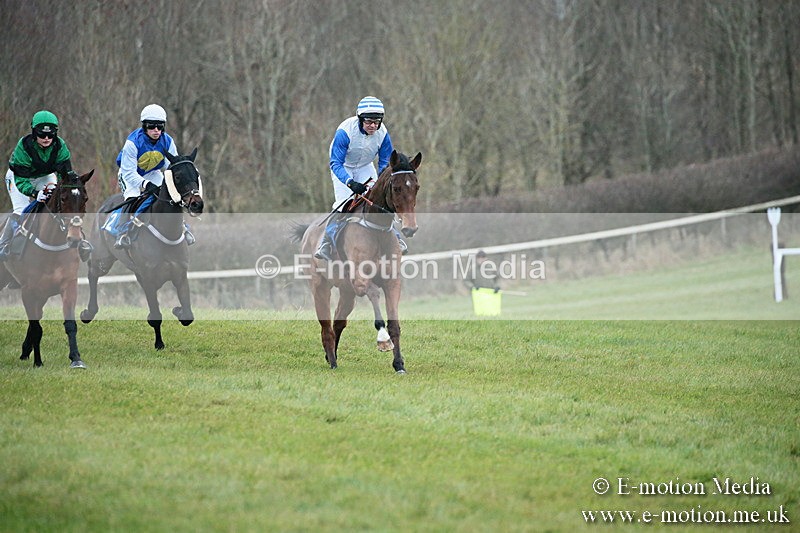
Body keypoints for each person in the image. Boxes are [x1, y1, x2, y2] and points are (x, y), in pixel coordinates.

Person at [314, 96, 407, 261]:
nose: (373, 126)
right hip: (344, 167)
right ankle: (326, 242)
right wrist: (350, 182)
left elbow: (385, 162)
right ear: (360, 119)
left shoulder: (383, 133)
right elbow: (336, 163)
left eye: (376, 122)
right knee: (343, 204)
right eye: (369, 121)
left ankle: (395, 236)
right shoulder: (345, 132)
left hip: (365, 166)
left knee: (380, 201)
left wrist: (380, 184)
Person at [0, 110, 85, 261]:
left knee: (58, 204)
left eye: (50, 135)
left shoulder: (60, 146)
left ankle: (79, 239)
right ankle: (4, 244)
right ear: (34, 132)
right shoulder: (24, 147)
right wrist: (34, 193)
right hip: (19, 177)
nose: (46, 138)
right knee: (21, 210)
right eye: (42, 134)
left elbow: (64, 175)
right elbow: (21, 180)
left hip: (44, 176)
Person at [112, 103, 193, 248]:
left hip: (153, 173)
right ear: (144, 126)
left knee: (171, 195)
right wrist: (146, 185)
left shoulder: (168, 141)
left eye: (160, 126)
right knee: (132, 198)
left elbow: (171, 167)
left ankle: (184, 227)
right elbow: (129, 172)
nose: (156, 130)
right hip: (129, 174)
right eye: (151, 126)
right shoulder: (132, 143)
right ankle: (122, 233)